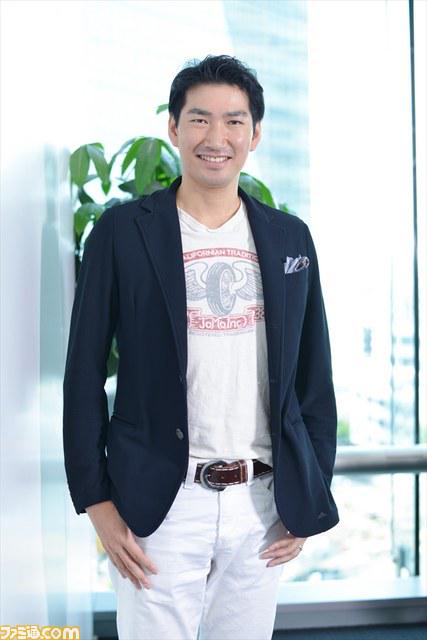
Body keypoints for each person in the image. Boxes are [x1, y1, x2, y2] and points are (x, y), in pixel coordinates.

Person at [62, 54, 339, 640]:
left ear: (255, 134)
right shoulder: (121, 232)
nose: (217, 138)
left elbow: (314, 378)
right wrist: (96, 502)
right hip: (160, 505)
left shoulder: (290, 238)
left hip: (262, 505)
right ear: (173, 127)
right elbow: (83, 373)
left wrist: (311, 491)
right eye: (199, 119)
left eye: (234, 121)